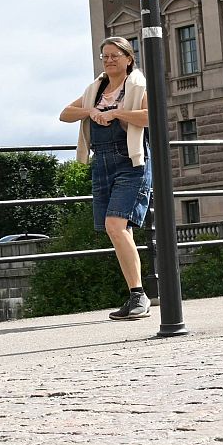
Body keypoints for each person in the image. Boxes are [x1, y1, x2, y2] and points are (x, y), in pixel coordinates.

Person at [59, 36, 153, 321]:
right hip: (101, 162)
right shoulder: (95, 89)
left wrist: (116, 113)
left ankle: (139, 295)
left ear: (128, 59)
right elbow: (65, 114)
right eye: (105, 56)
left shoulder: (137, 86)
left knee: (115, 225)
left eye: (115, 56)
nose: (109, 60)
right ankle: (135, 295)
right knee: (118, 230)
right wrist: (91, 111)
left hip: (130, 161)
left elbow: (152, 117)